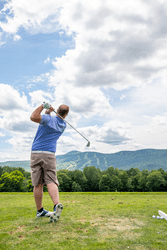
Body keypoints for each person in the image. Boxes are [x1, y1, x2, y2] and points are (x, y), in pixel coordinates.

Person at [30, 102, 69, 222]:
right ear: (66, 115)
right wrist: (49, 112)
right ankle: (56, 205)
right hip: (49, 154)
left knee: (38, 183)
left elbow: (33, 117)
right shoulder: (63, 125)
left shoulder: (47, 119)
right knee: (51, 181)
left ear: (57, 110)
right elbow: (49, 119)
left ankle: (40, 211)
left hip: (36, 153)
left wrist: (43, 106)